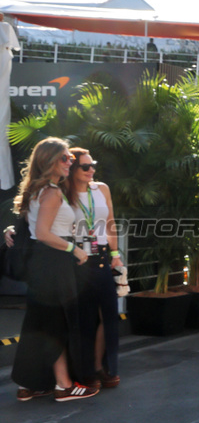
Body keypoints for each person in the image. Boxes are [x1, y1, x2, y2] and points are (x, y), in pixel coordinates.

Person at [9, 138, 97, 401]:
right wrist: (75, 250)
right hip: (54, 263)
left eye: (70, 158)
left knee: (42, 323)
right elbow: (43, 233)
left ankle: (32, 384)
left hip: (44, 264)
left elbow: (31, 227)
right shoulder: (51, 192)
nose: (70, 162)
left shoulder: (39, 190)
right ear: (49, 161)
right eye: (65, 158)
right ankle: (64, 386)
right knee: (57, 323)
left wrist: (10, 230)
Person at [67, 147, 123, 387]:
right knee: (84, 318)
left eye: (93, 165)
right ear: (72, 169)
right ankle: (85, 371)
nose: (92, 170)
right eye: (85, 166)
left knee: (108, 315)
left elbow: (110, 222)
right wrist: (11, 230)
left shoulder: (101, 189)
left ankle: (101, 367)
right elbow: (40, 218)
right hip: (75, 260)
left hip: (101, 258)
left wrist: (115, 254)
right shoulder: (61, 192)